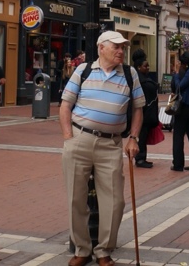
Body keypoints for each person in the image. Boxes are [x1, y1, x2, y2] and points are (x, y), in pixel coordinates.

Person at [60, 31, 144, 266]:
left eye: (123, 47)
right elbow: (65, 105)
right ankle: (82, 249)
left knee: (115, 201)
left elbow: (138, 108)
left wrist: (133, 138)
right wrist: (68, 137)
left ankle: (104, 250)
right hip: (80, 139)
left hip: (111, 143)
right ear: (101, 48)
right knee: (75, 199)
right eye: (116, 47)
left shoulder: (130, 74)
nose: (120, 51)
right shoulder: (83, 70)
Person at [131, 49, 159, 168]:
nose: (148, 68)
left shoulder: (141, 78)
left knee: (143, 135)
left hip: (147, 112)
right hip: (143, 112)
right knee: (141, 136)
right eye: (145, 66)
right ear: (139, 67)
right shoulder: (139, 80)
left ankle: (142, 157)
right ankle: (140, 158)